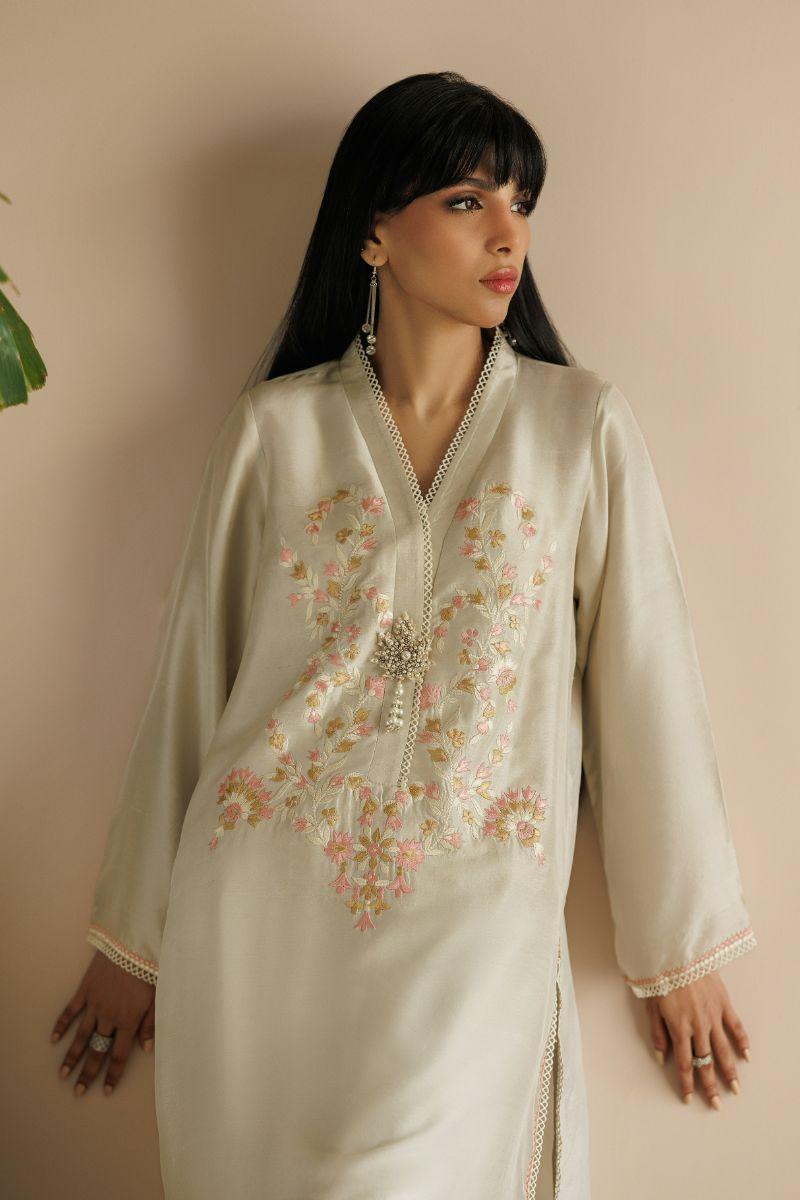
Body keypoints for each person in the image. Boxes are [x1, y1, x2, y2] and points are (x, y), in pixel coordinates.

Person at [51, 71, 757, 1199]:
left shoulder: (577, 429)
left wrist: (678, 950)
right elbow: (191, 683)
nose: (508, 234)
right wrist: (132, 941)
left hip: (477, 917)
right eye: (467, 201)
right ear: (373, 229)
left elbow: (645, 685)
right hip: (260, 922)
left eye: (521, 203)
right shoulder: (275, 432)